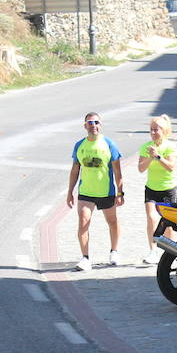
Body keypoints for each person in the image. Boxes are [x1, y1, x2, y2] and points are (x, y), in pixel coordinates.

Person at [65, 112, 124, 272]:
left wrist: (120, 192)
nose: (93, 125)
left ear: (101, 125)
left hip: (106, 192)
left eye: (96, 122)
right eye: (90, 123)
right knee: (83, 220)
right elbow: (74, 170)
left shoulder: (109, 144)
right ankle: (85, 258)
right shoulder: (79, 145)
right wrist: (70, 191)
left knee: (112, 221)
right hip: (86, 192)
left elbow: (118, 171)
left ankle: (114, 251)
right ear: (85, 126)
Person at [139, 114, 177, 265]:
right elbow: (141, 169)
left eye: (156, 130)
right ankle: (152, 251)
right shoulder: (146, 147)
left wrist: (158, 157)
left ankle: (173, 253)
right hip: (151, 189)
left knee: (168, 224)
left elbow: (171, 167)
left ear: (164, 131)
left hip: (168, 189)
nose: (153, 132)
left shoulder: (169, 146)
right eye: (151, 130)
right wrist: (150, 157)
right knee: (151, 218)